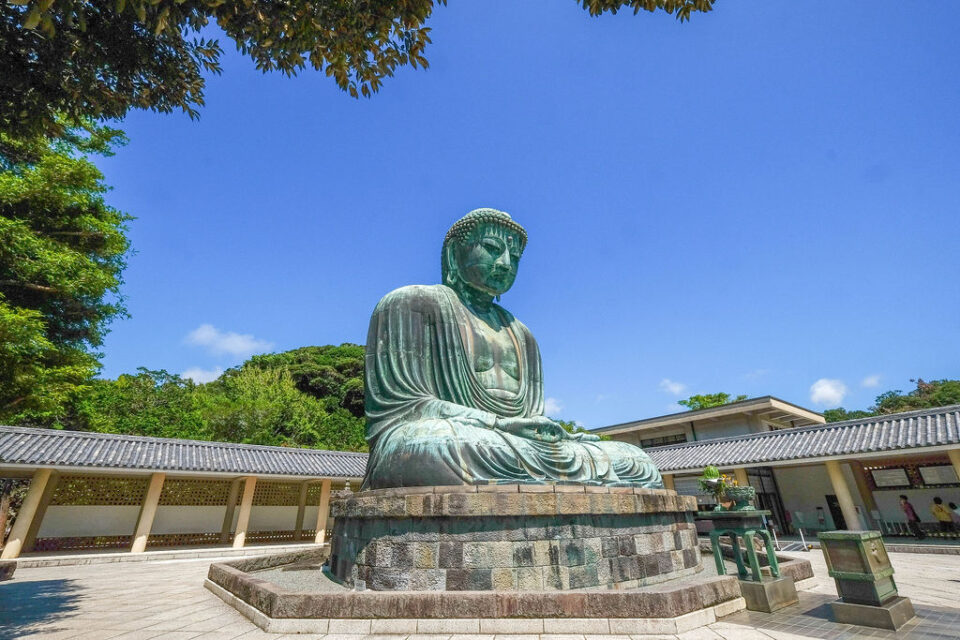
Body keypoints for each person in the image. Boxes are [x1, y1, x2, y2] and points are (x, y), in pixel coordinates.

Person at [361, 208, 663, 489]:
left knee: (634, 459)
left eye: (514, 257)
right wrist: (497, 423)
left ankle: (544, 476)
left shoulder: (522, 335)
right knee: (431, 446)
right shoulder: (410, 304)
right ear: (454, 253)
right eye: (492, 248)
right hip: (452, 437)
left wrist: (546, 433)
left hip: (512, 444)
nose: (505, 263)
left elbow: (532, 416)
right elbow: (405, 409)